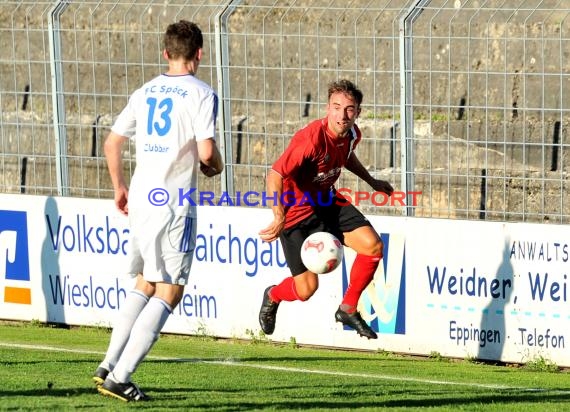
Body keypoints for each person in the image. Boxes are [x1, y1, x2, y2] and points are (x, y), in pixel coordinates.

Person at [92, 20, 223, 402]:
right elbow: (206, 154)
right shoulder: (202, 94)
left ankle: (108, 365)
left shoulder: (145, 90)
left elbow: (112, 143)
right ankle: (121, 376)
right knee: (170, 289)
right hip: (172, 202)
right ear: (199, 53)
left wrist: (120, 187)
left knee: (145, 282)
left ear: (166, 53)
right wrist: (214, 167)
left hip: (142, 199)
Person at [258, 79, 393, 340]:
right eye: (336, 107)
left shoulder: (353, 135)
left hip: (328, 202)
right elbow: (274, 174)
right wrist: (278, 214)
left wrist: (371, 181)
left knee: (373, 246)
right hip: (296, 215)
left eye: (349, 109)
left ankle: (348, 308)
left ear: (358, 112)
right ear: (327, 108)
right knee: (306, 290)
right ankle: (273, 295)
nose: (342, 115)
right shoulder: (310, 140)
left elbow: (345, 156)